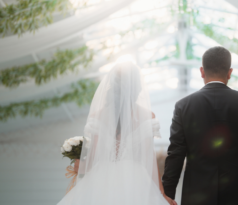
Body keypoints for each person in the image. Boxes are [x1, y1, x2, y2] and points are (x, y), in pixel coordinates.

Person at [162, 46, 238, 205]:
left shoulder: (183, 106)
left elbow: (176, 152)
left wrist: (167, 192)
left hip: (197, 195)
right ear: (230, 73)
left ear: (202, 71)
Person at [57, 62, 176, 205]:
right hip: (136, 181)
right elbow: (149, 160)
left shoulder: (97, 116)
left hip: (101, 179)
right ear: (137, 88)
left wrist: (79, 165)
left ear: (111, 86)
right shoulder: (147, 116)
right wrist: (161, 194)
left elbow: (91, 159)